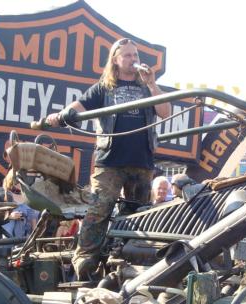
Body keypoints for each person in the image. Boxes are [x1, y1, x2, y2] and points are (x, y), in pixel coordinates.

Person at [45, 37, 171, 279]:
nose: (133, 59)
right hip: (110, 161)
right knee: (99, 209)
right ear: (115, 59)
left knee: (138, 213)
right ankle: (84, 261)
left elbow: (165, 112)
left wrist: (153, 84)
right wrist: (61, 115)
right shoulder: (104, 87)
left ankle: (125, 259)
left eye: (135, 55)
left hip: (141, 161)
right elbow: (79, 105)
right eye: (128, 55)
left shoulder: (147, 87)